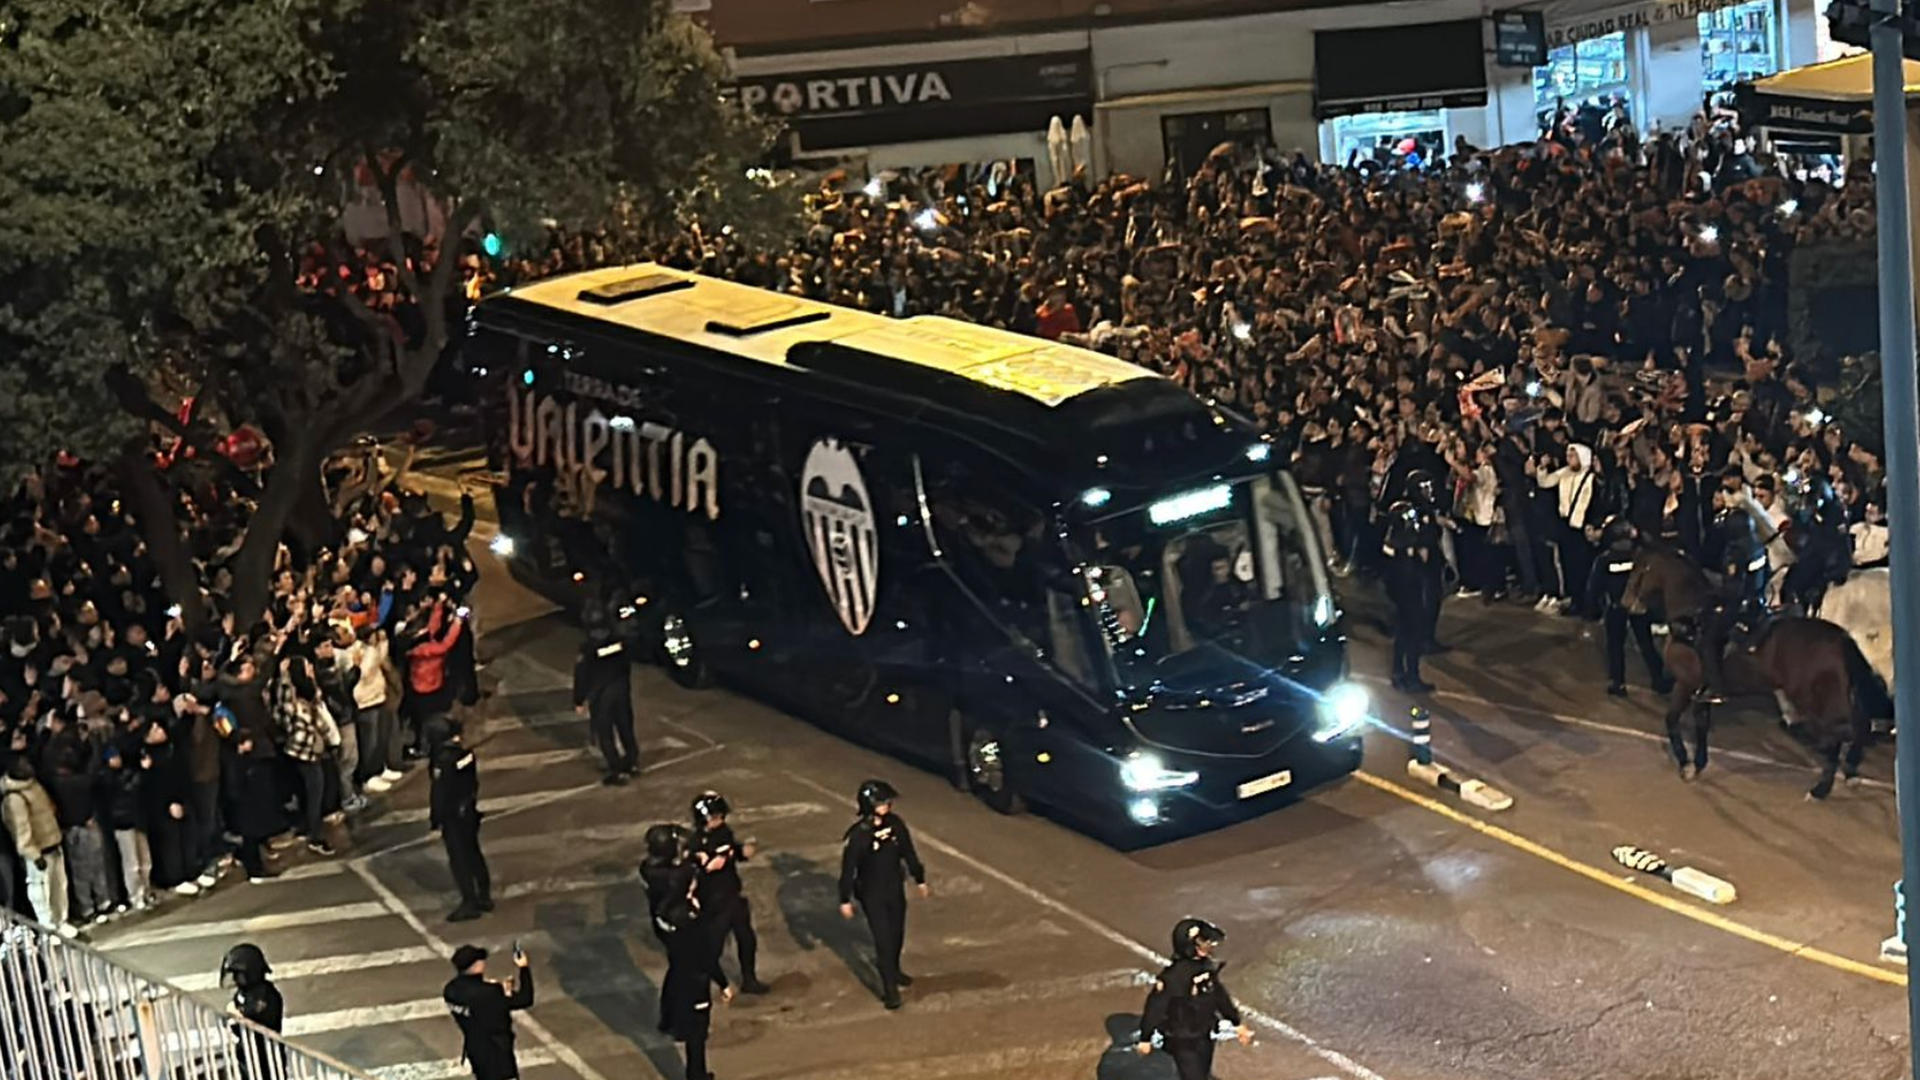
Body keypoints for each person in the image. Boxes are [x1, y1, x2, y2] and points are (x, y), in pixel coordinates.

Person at [643, 823, 732, 1080]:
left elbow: (681, 872)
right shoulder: (687, 913)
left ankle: (669, 1019)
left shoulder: (652, 871)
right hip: (694, 976)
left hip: (672, 940)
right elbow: (704, 955)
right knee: (698, 1030)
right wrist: (722, 982)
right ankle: (697, 1075)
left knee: (676, 970)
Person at [837, 779, 928, 1010]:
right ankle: (890, 991)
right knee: (883, 940)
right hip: (871, 893)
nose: (887, 805)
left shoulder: (896, 825)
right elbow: (849, 868)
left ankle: (894, 969)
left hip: (894, 889)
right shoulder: (859, 835)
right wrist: (844, 898)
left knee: (897, 934)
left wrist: (919, 878)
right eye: (881, 802)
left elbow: (908, 852)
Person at [1137, 917, 1251, 1080]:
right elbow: (1156, 1007)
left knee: (1202, 1071)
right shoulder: (1173, 977)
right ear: (1190, 946)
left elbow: (1218, 995)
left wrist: (1236, 1022)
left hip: (1203, 1033)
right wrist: (1145, 1037)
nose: (1209, 945)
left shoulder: (1205, 966)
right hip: (1182, 1039)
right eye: (1203, 941)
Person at [690, 790, 768, 994]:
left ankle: (749, 979)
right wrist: (710, 863)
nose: (720, 819)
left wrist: (742, 852)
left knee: (747, 939)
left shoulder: (723, 832)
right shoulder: (696, 843)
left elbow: (730, 851)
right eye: (716, 816)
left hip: (732, 896)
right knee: (713, 947)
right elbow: (700, 868)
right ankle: (701, 985)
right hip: (713, 902)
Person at [1586, 519, 1670, 698]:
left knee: (1615, 646)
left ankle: (1618, 683)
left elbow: (1594, 587)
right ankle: (1658, 679)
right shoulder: (1638, 556)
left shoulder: (1605, 559)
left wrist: (1591, 610)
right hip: (1637, 604)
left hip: (1616, 606)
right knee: (1645, 642)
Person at [1695, 504, 1768, 704]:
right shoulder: (1757, 543)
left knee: (1707, 640)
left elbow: (1733, 589)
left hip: (1740, 607)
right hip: (1759, 601)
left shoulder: (1735, 551)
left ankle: (1717, 688)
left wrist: (1712, 595)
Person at [1380, 483, 1441, 694]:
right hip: (1408, 592)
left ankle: (1399, 673)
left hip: (1398, 593)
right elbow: (1415, 565)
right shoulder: (1404, 547)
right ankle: (1412, 676)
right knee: (1411, 632)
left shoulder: (1391, 543)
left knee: (1402, 633)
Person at [430, 721, 493, 922]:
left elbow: (440, 791)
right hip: (468, 811)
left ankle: (470, 902)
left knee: (459, 860)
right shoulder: (464, 755)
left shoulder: (443, 758)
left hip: (453, 816)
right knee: (473, 853)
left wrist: (436, 818)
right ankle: (484, 895)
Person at [443, 943, 533, 1080]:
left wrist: (493, 989)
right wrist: (524, 968)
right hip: (498, 1054)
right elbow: (525, 999)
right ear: (476, 965)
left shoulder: (450, 990)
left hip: (475, 1050)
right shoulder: (489, 993)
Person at [1, 757, 71, 934]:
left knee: (59, 887)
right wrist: (32, 853)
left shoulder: (34, 786)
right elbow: (21, 829)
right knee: (41, 893)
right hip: (38, 852)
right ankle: (47, 927)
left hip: (53, 842)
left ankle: (61, 921)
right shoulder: (14, 797)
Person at [572, 602, 638, 785]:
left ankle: (616, 770)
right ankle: (631, 762)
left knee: (605, 733)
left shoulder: (588, 649)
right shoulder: (619, 641)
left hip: (601, 696)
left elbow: (582, 675)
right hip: (621, 690)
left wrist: (579, 700)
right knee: (625, 727)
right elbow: (626, 665)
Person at [221, 942, 284, 1073]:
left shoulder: (266, 995)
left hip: (266, 1059)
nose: (235, 979)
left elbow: (252, 1017)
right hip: (247, 1056)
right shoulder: (243, 994)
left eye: (238, 974)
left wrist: (237, 1014)